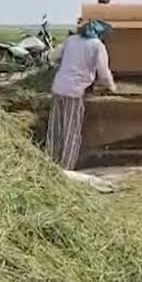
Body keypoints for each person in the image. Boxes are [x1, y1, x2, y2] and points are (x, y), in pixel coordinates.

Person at [46, 19, 116, 170]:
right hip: (74, 92)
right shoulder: (97, 45)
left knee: (56, 130)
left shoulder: (70, 40)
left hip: (58, 88)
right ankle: (65, 169)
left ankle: (50, 166)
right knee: (71, 133)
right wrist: (111, 87)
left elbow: (52, 56)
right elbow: (103, 72)